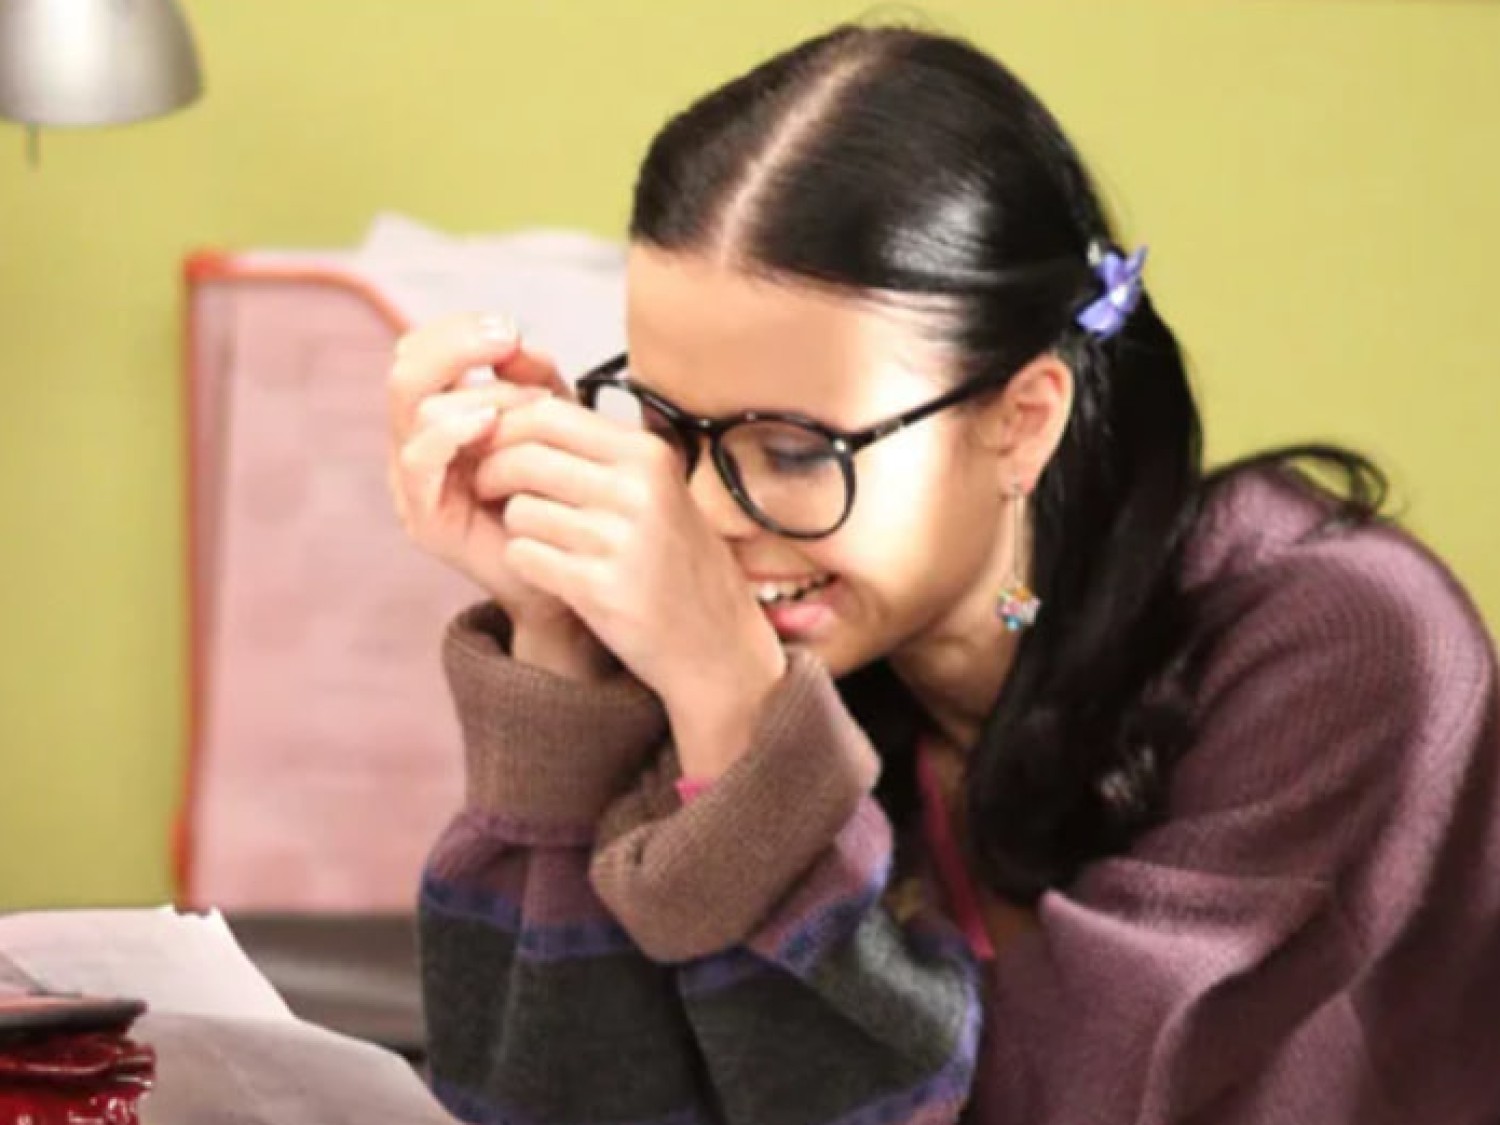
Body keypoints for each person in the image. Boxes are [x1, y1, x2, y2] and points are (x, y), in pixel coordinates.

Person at [386, 24, 1500, 1125]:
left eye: (795, 450)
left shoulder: (1345, 648)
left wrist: (739, 719)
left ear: (1022, 421)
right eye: (670, 426)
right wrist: (563, 662)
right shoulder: (779, 661)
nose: (708, 514)